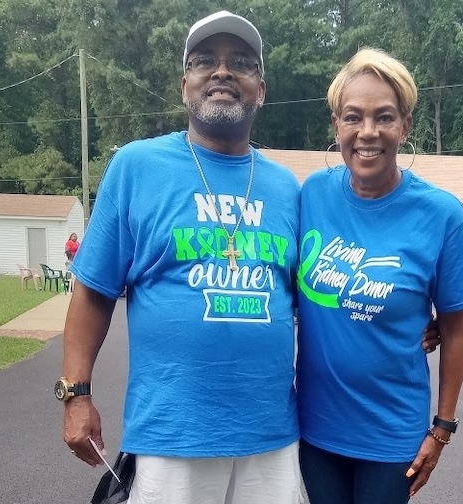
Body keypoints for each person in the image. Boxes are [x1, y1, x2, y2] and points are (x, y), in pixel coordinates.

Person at [59, 11, 303, 503]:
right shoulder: (136, 167)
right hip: (173, 435)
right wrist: (75, 395)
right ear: (184, 83)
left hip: (272, 435)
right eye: (205, 61)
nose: (222, 72)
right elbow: (92, 292)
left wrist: (410, 319)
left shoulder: (288, 188)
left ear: (261, 88)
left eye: (241, 63)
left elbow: (316, 300)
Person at [296, 48, 463, 504]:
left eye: (384, 117)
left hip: (390, 432)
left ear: (406, 126)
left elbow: (457, 332)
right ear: (335, 125)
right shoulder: (311, 196)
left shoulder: (442, 215)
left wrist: (442, 428)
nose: (368, 133)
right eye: (352, 117)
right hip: (314, 426)